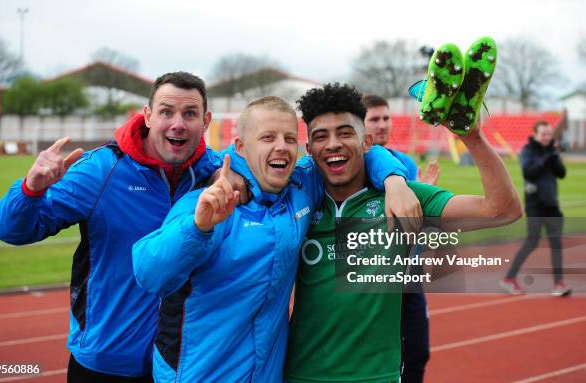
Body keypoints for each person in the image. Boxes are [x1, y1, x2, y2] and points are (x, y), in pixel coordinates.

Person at [131, 95, 419, 382]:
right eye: (267, 137)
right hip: (199, 375)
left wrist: (394, 179)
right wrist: (197, 228)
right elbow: (150, 274)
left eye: (289, 138)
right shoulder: (210, 202)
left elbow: (362, 151)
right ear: (241, 147)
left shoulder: (301, 187)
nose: (280, 146)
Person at [0, 72, 232, 382]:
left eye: (190, 114)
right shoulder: (101, 170)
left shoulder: (218, 172)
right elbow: (14, 231)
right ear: (147, 116)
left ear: (206, 120)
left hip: (182, 368)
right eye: (166, 111)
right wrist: (31, 189)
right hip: (107, 364)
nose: (178, 123)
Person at [284, 83, 522, 383]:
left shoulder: (405, 198)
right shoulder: (296, 202)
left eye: (345, 133)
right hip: (301, 376)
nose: (332, 144)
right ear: (309, 150)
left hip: (377, 377)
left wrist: (471, 137)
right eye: (321, 136)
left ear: (366, 141)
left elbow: (502, 210)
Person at [362, 94, 439, 383]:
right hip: (373, 279)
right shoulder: (353, 166)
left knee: (418, 353)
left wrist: (425, 197)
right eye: (374, 119)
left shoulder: (405, 162)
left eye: (386, 118)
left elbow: (415, 225)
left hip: (409, 274)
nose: (382, 124)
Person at [501, 121, 570, 296]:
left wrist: (554, 157)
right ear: (536, 134)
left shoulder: (551, 151)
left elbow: (562, 174)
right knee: (532, 241)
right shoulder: (528, 151)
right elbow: (528, 172)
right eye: (544, 134)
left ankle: (559, 284)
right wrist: (546, 158)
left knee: (556, 243)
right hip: (535, 205)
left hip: (552, 204)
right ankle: (509, 278)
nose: (547, 137)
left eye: (549, 134)